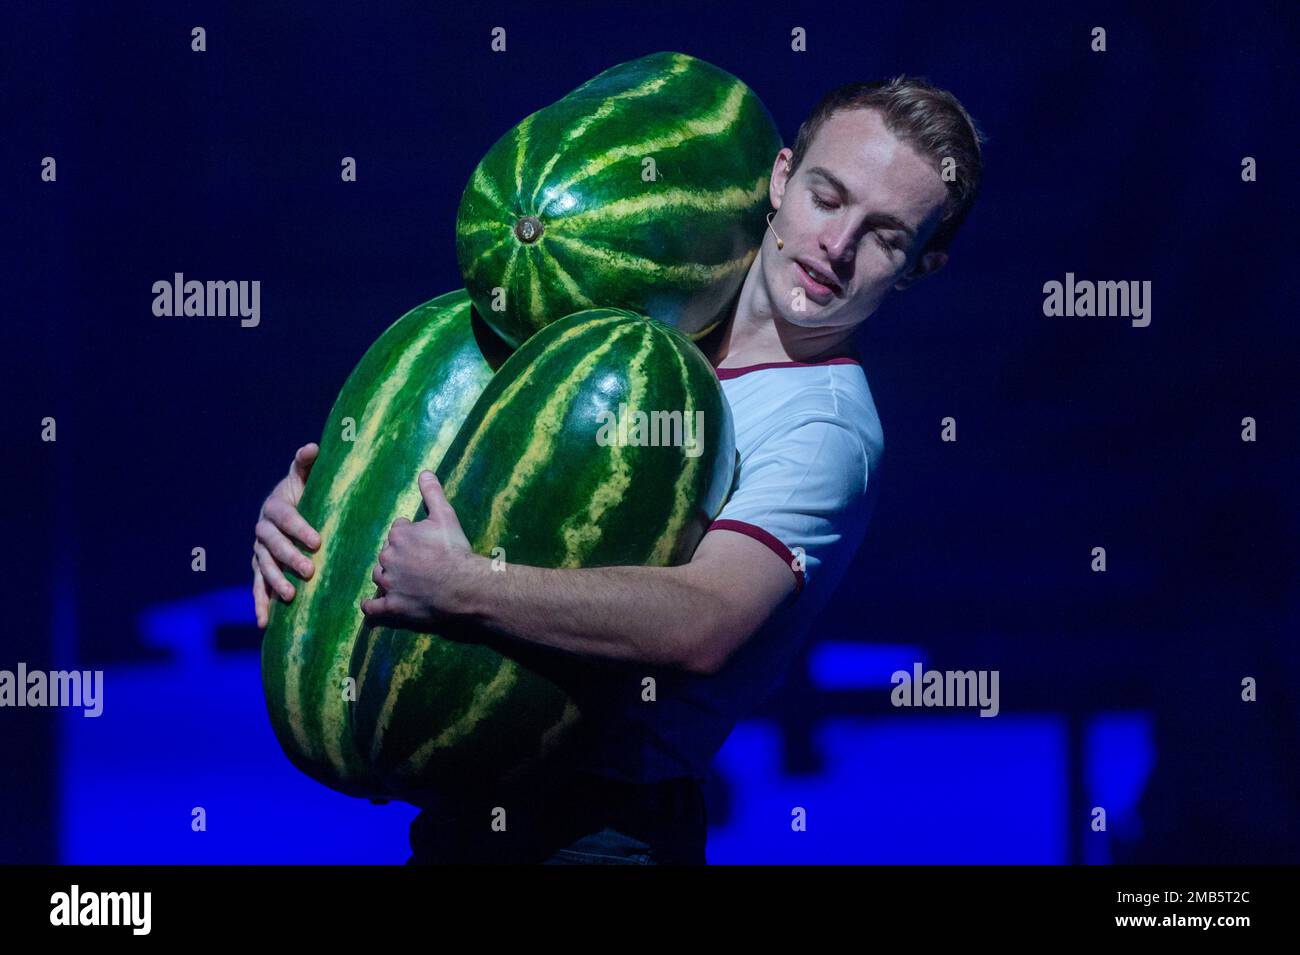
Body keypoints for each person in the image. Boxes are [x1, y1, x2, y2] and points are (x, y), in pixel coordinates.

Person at [253, 76, 984, 864]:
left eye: (884, 236)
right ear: (779, 179)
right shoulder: (647, 309)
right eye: (827, 197)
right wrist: (320, 511)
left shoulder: (826, 428)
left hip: (600, 837)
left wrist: (467, 587)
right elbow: (453, 465)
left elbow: (704, 623)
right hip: (467, 808)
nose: (835, 246)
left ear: (921, 266)